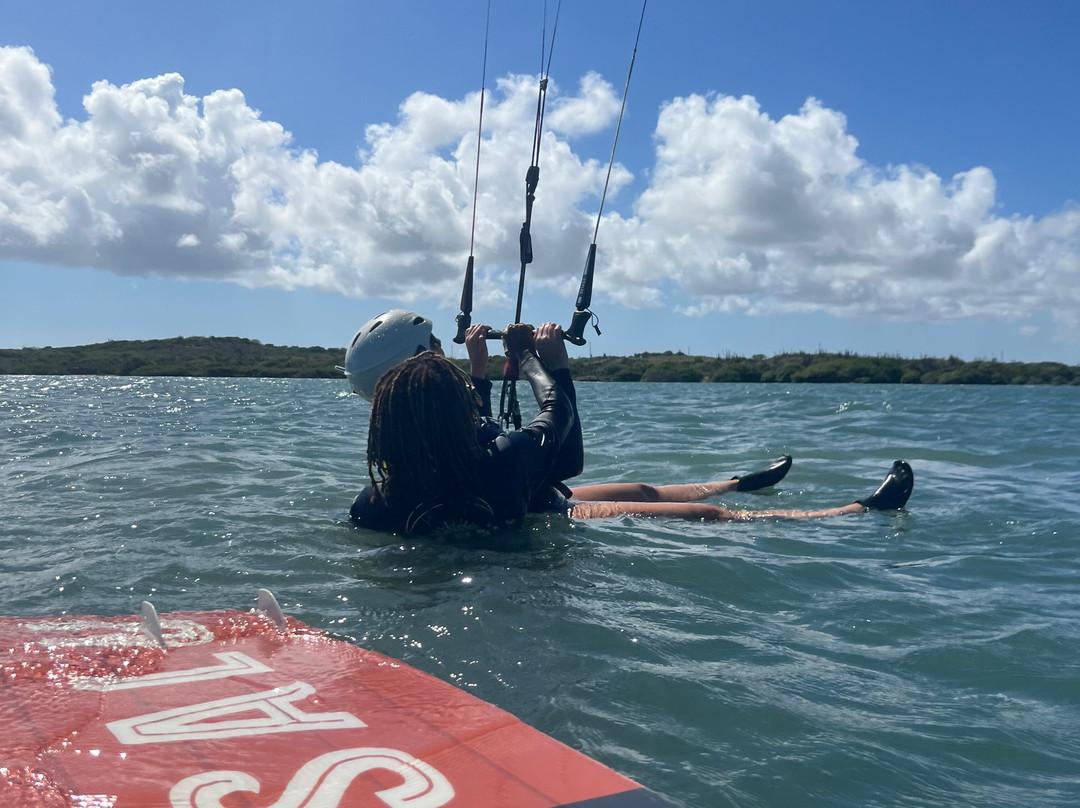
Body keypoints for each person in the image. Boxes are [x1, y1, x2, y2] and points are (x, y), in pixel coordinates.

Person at [349, 323, 913, 535]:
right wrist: (538, 362)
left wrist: (476, 375)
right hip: (544, 509)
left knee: (643, 488)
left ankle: (739, 481)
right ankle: (854, 512)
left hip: (522, 495)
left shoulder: (376, 499)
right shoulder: (504, 458)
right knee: (704, 518)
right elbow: (560, 432)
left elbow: (456, 430)